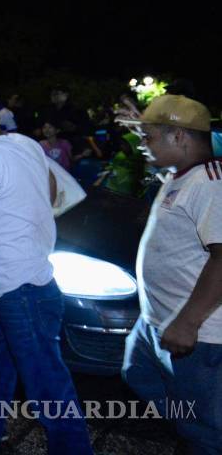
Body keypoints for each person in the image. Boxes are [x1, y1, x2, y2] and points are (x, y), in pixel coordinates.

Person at [0, 122, 92, 454]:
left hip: (19, 291)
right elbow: (51, 190)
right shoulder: (25, 142)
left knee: (48, 390)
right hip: (11, 286)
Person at [119, 95, 222, 453]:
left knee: (205, 427)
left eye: (148, 138)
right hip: (157, 321)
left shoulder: (210, 183)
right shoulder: (182, 174)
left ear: (179, 137)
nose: (141, 145)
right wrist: (147, 124)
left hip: (197, 332)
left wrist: (188, 323)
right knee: (137, 374)